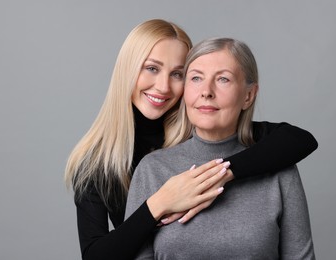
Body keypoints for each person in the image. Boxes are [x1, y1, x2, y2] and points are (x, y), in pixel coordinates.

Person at [65, 19, 317, 260]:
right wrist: (159, 203)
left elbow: (298, 140)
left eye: (177, 74)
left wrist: (224, 172)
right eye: (151, 68)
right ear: (127, 71)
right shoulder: (99, 163)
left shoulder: (205, 124)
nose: (163, 86)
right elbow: (96, 255)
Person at [125, 37, 315, 259]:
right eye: (196, 78)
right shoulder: (153, 169)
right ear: (185, 90)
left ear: (249, 95)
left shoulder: (281, 171)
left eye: (223, 79)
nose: (206, 91)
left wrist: (224, 173)